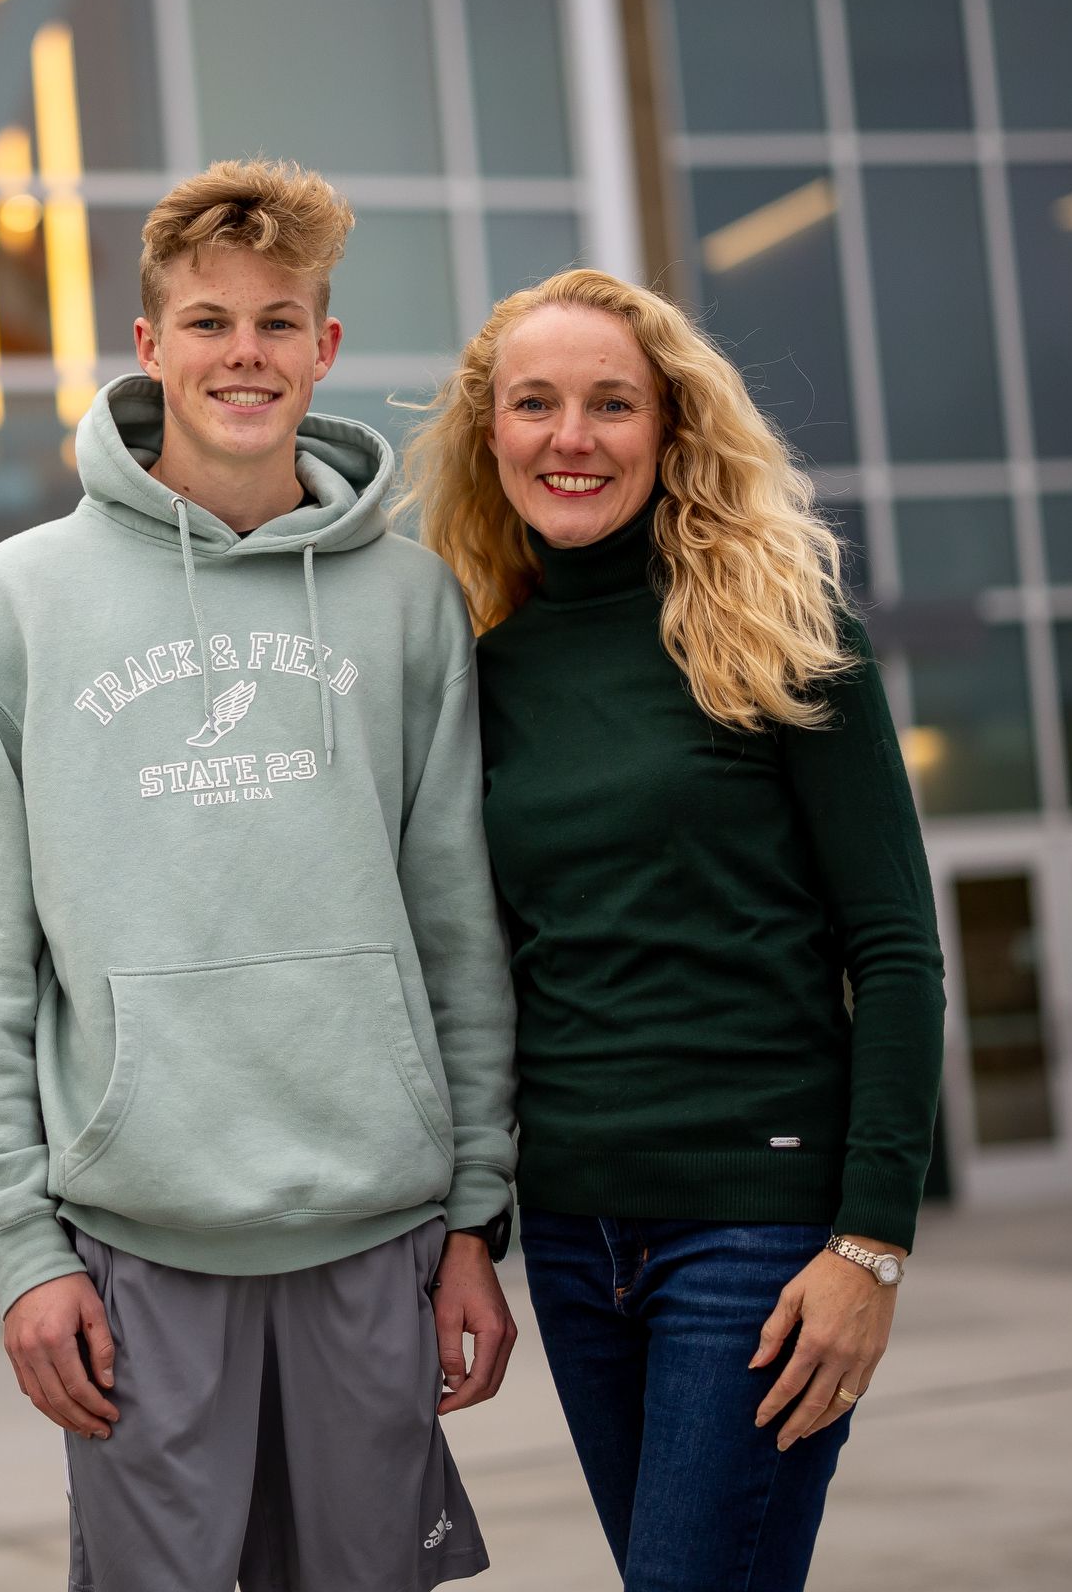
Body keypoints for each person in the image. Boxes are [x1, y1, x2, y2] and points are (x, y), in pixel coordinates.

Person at [0, 160, 520, 1592]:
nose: (242, 351)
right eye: (207, 321)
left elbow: (460, 934)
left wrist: (476, 1222)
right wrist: (19, 1248)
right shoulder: (21, 601)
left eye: (276, 319)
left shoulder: (408, 599)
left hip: (377, 1238)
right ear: (149, 348)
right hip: (136, 1247)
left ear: (325, 348)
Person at [402, 267, 946, 1592]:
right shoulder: (480, 665)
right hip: (582, 1235)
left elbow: (897, 951)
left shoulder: (774, 632)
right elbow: (475, 972)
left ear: (670, 427)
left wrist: (869, 1246)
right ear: (490, 435)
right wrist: (474, 1226)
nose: (570, 437)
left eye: (610, 404)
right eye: (535, 404)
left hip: (754, 1231)